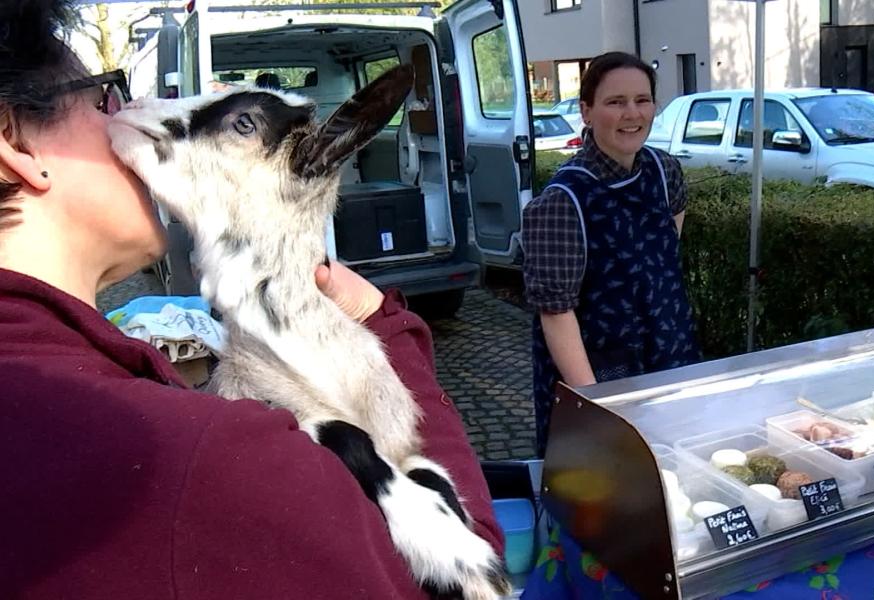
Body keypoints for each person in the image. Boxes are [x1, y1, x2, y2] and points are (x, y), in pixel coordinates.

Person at [0, 2, 500, 598]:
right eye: (102, 95)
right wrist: (391, 334)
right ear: (15, 143)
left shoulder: (60, 378)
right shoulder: (184, 456)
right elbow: (462, 581)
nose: (126, 111)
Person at [522, 52, 701, 457]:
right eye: (615, 102)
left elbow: (664, 258)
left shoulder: (665, 171)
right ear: (586, 111)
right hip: (601, 372)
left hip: (670, 355)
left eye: (642, 100)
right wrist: (595, 405)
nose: (631, 113)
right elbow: (556, 313)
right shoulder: (561, 201)